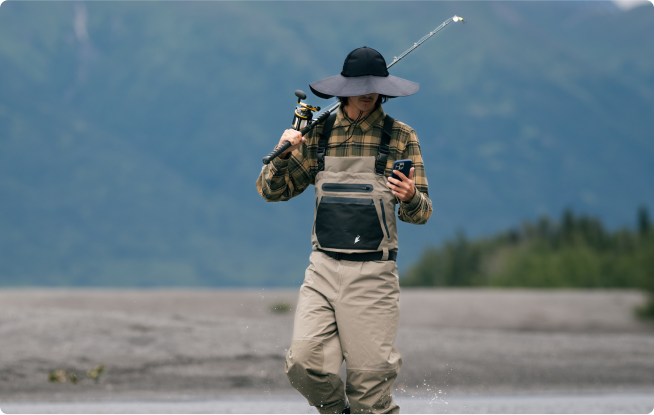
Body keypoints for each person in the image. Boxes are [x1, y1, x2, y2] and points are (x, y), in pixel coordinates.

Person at [256, 46, 432, 415]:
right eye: (360, 86)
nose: (368, 93)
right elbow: (272, 193)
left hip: (374, 274)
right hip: (322, 269)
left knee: (370, 388)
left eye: (374, 86)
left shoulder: (400, 137)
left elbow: (421, 214)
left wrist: (411, 196)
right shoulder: (317, 134)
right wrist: (283, 153)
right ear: (343, 88)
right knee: (304, 364)